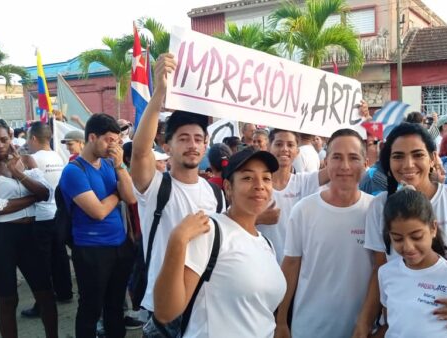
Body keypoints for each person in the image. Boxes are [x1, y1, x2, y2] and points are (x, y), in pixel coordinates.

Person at [353, 123, 447, 338]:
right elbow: (380, 272)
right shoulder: (380, 207)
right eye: (397, 156)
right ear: (387, 162)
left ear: (433, 158)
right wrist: (363, 324)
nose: (408, 164)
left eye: (417, 154)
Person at [151, 147, 286, 337]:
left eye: (266, 178)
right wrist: (177, 241)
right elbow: (166, 312)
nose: (259, 185)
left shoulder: (266, 243)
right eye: (247, 178)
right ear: (229, 188)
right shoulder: (211, 232)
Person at [131, 53, 220, 332]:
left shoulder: (216, 194)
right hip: (164, 308)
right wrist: (160, 93)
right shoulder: (156, 186)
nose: (192, 145)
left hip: (205, 305)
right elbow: (139, 150)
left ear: (205, 145)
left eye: (197, 139)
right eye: (183, 138)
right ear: (167, 145)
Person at [276, 129, 374, 338]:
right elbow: (291, 265)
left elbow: (380, 270)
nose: (345, 166)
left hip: (360, 330)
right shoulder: (304, 210)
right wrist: (281, 319)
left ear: (365, 163)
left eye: (353, 158)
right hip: (310, 328)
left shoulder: (376, 211)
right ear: (325, 162)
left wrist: (367, 321)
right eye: (337, 157)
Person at [59, 113, 136, 338]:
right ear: (92, 137)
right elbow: (98, 212)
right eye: (109, 140)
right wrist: (117, 194)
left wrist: (121, 167)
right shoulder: (74, 171)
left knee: (115, 306)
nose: (113, 145)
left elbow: (131, 197)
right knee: (91, 308)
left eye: (116, 141)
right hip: (91, 249)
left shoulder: (110, 164)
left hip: (119, 246)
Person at [379, 189, 447, 338]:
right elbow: (392, 323)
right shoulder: (386, 273)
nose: (408, 247)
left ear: (433, 229)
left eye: (416, 237)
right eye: (398, 239)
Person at [0, 118, 57, 338]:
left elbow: (46, 194)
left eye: (3, 139)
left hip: (31, 234)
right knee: (8, 299)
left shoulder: (27, 161)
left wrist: (18, 174)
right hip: (0, 238)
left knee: (45, 294)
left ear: (10, 136)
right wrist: (32, 197)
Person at [21, 122, 73, 319]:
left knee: (41, 262)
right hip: (56, 214)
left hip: (39, 215)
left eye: (28, 138)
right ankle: (65, 292)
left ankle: (42, 303)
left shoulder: (31, 159)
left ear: (33, 138)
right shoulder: (58, 157)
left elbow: (26, 187)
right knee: (59, 256)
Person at [256, 129, 330, 263]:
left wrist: (364, 119)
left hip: (294, 266)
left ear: (297, 151)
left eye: (290, 145)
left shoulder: (304, 182)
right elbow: (232, 219)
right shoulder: (256, 185)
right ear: (268, 148)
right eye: (278, 144)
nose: (284, 149)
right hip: (262, 265)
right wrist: (258, 218)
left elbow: (334, 170)